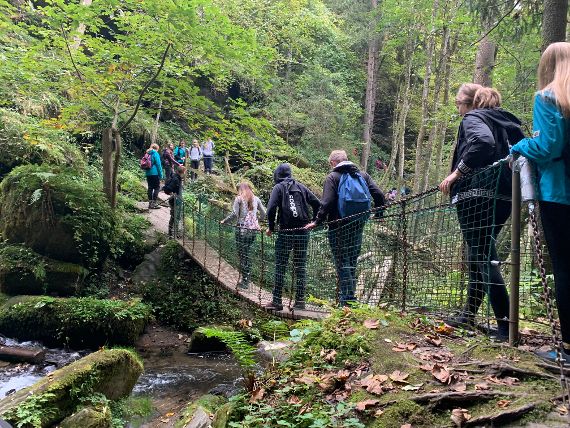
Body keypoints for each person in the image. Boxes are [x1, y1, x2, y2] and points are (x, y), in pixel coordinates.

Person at [439, 84, 525, 340]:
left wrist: (456, 173)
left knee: (482, 254)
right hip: (505, 194)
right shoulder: (506, 122)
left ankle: (506, 326)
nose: (458, 109)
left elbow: (483, 143)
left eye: (458, 103)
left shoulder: (473, 118)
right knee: (480, 252)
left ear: (469, 104)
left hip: (476, 194)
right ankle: (469, 314)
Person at [510, 42, 570, 362]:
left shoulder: (548, 97)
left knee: (564, 268)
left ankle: (568, 349)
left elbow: (549, 147)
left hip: (559, 194)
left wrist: (519, 145)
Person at [305, 150, 385, 306]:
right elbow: (380, 195)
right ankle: (350, 299)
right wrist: (379, 214)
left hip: (338, 226)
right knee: (352, 260)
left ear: (333, 163)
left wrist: (317, 221)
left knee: (342, 262)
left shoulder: (332, 177)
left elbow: (326, 202)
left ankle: (347, 301)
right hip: (358, 224)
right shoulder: (363, 175)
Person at [265, 164, 321, 311]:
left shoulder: (278, 188)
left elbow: (270, 209)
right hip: (303, 231)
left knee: (280, 266)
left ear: (277, 175)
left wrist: (271, 227)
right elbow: (317, 204)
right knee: (300, 266)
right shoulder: (301, 187)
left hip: (286, 232)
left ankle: (277, 301)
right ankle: (300, 301)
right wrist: (314, 221)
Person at [221, 183, 267, 289]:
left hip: (241, 230)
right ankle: (246, 278)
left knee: (242, 254)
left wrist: (224, 221)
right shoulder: (256, 199)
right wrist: (257, 220)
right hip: (253, 231)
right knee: (246, 253)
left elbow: (234, 214)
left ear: (240, 190)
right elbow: (264, 213)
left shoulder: (239, 199)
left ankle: (245, 281)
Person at [162, 165, 186, 238]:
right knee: (174, 216)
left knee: (175, 216)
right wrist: (172, 193)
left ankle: (173, 232)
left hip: (176, 200)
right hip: (174, 200)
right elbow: (167, 188)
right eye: (185, 172)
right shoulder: (176, 179)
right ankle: (172, 233)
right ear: (183, 172)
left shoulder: (176, 177)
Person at [145, 143, 163, 209]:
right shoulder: (155, 153)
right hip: (155, 173)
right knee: (157, 187)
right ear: (157, 148)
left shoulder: (147, 153)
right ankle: (154, 203)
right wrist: (161, 175)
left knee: (150, 187)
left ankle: (150, 203)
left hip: (148, 173)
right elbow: (158, 165)